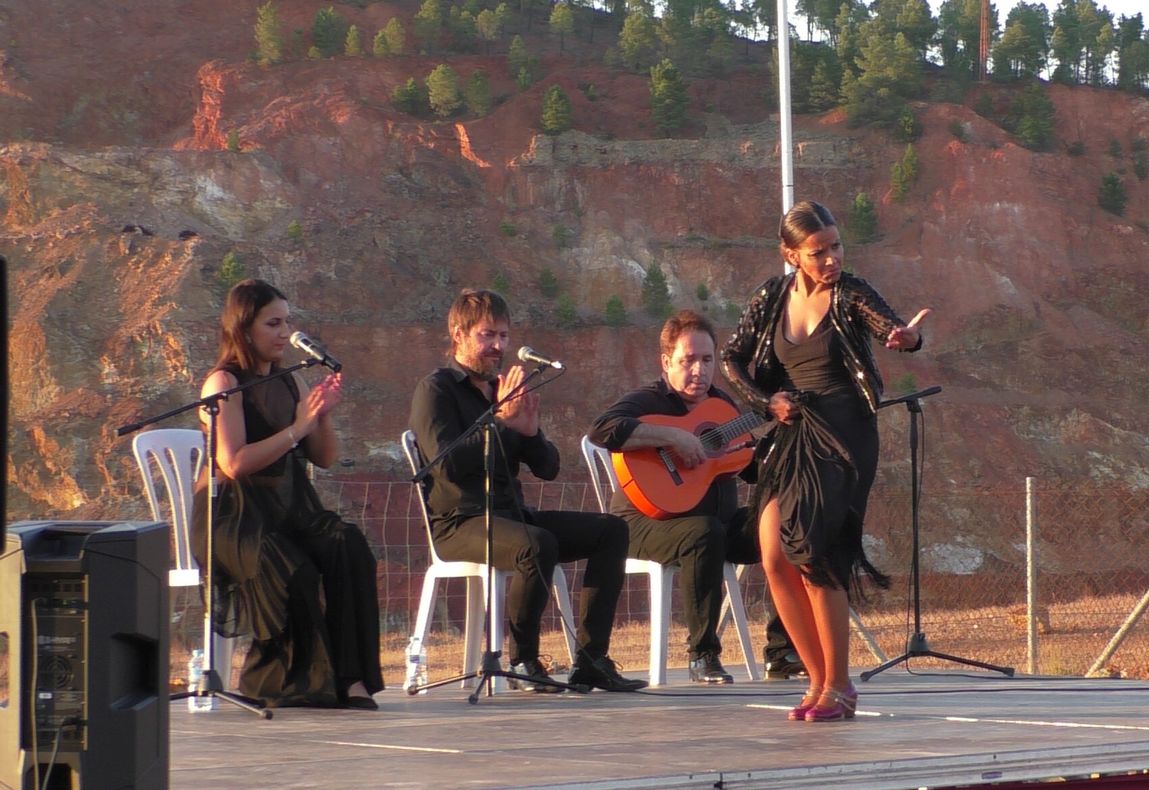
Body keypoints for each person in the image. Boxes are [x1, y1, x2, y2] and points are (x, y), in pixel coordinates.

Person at [721, 201, 929, 722]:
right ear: (791, 254)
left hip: (844, 433)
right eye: (818, 252)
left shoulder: (850, 291)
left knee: (814, 551)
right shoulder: (771, 297)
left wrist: (906, 339)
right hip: (793, 430)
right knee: (772, 554)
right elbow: (732, 358)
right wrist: (765, 404)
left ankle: (840, 685)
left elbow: (890, 327)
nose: (832, 259)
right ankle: (816, 682)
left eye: (836, 246)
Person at [409, 288, 646, 692]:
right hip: (459, 522)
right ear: (458, 335)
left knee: (612, 530)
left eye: (503, 335)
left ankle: (591, 661)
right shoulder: (437, 390)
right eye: (487, 335)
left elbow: (549, 468)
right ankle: (523, 660)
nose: (498, 346)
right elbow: (446, 463)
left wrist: (531, 432)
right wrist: (502, 422)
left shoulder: (505, 389)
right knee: (536, 545)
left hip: (512, 516)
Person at [194, 279, 384, 709]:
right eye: (273, 323)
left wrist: (322, 416)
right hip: (231, 518)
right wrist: (298, 427)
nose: (284, 333)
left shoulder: (289, 382)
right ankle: (285, 682)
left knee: (348, 546)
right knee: (292, 568)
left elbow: (325, 457)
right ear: (244, 328)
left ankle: (351, 679)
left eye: (287, 322)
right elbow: (234, 462)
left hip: (283, 509)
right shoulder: (223, 383)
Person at [588, 310, 800, 685]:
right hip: (645, 523)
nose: (699, 371)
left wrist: (778, 443)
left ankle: (782, 650)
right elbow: (604, 430)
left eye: (707, 360)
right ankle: (703, 655)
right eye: (687, 361)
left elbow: (743, 464)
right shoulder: (649, 400)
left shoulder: (721, 407)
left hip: (716, 524)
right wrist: (674, 437)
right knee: (704, 533)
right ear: (666, 362)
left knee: (787, 521)